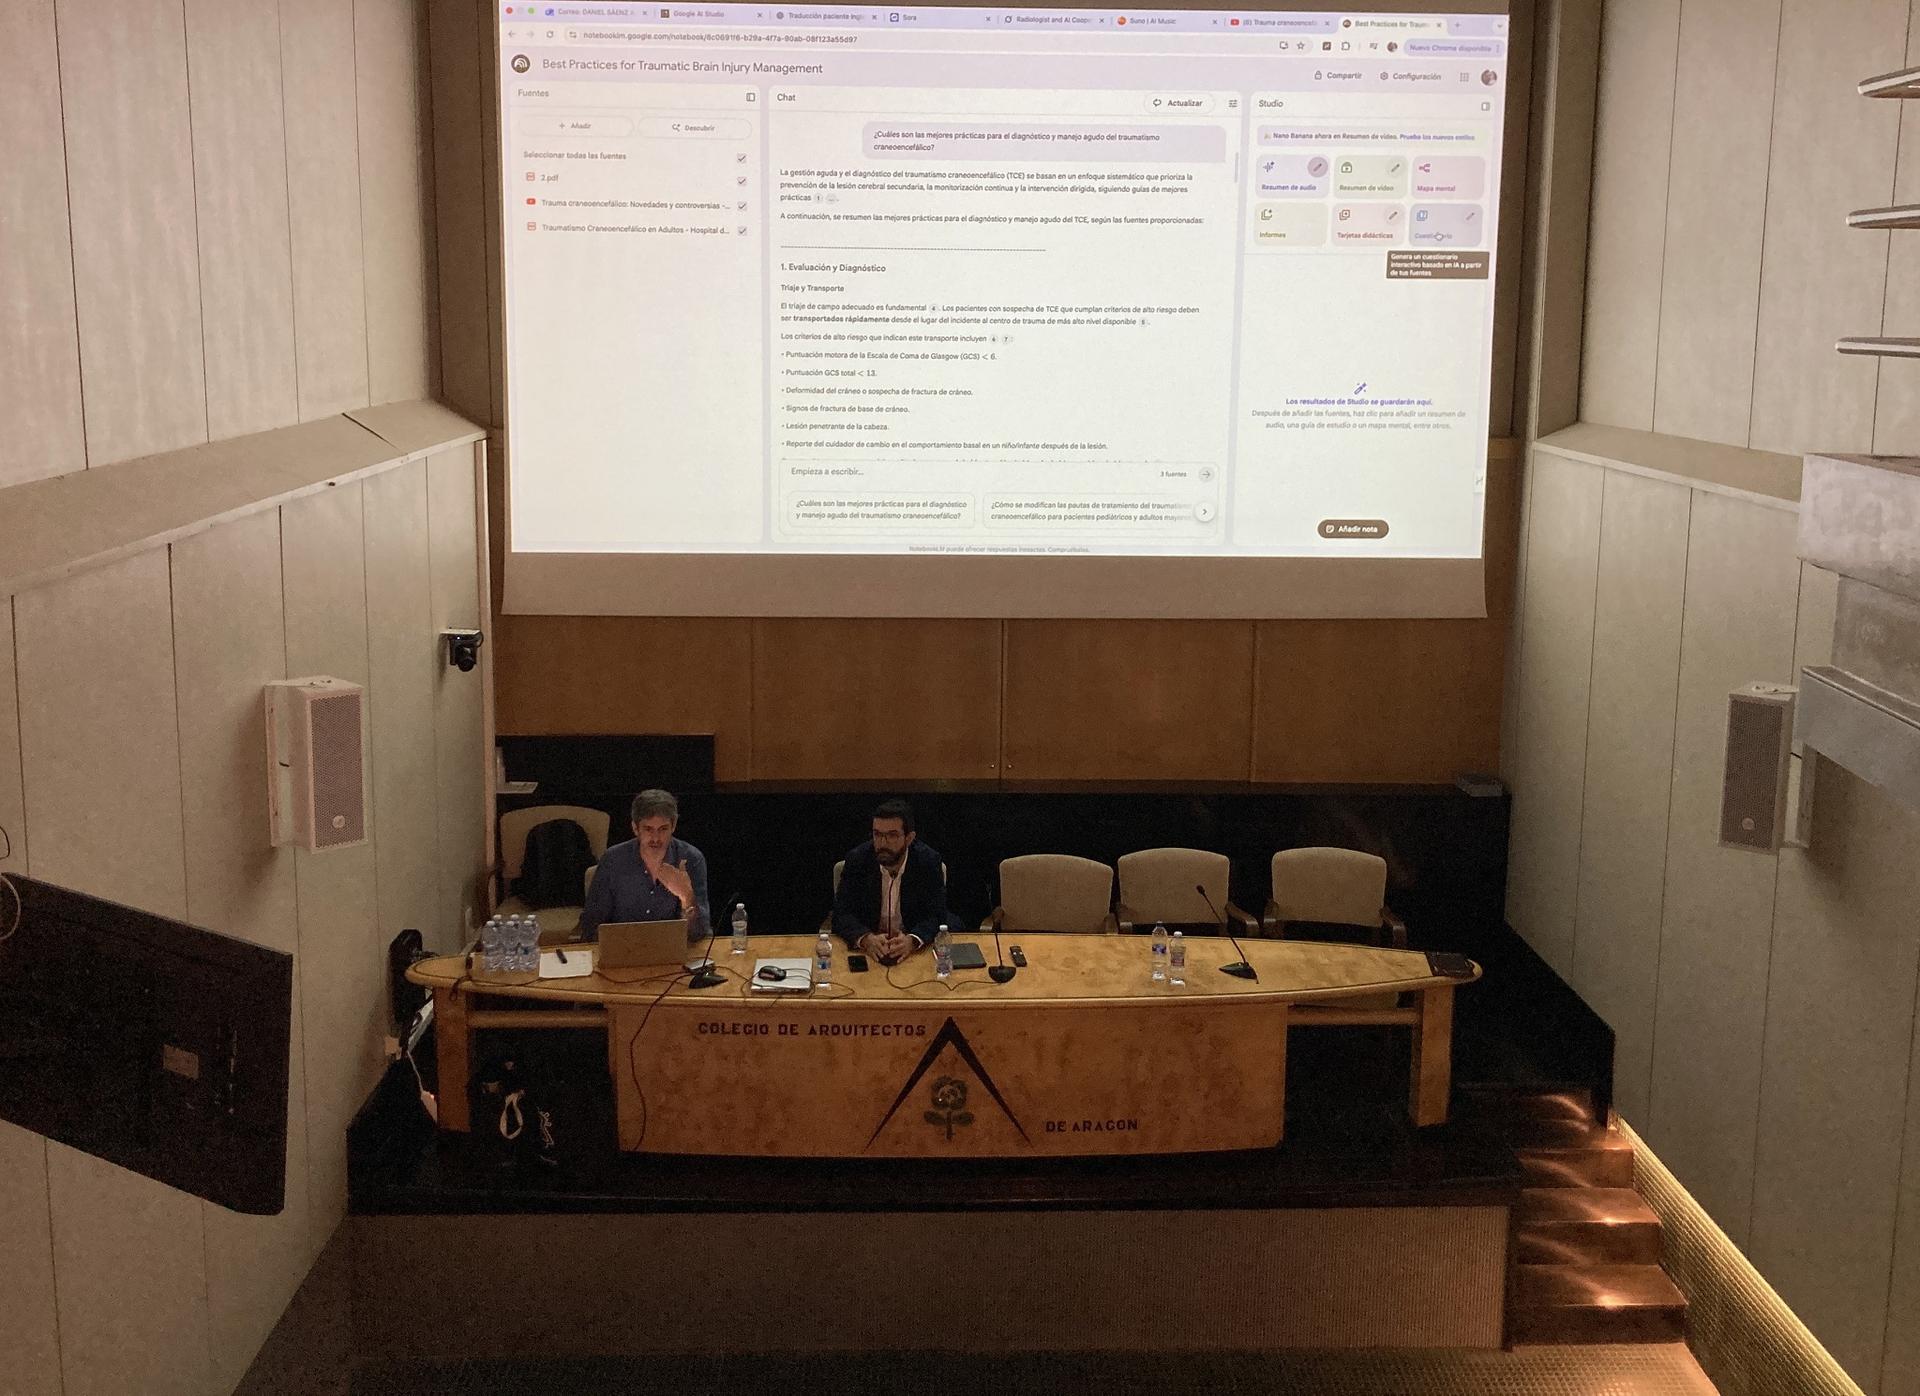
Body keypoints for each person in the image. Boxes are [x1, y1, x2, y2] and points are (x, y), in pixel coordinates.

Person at [577, 790, 710, 944]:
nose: (656, 838)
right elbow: (591, 925)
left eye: (663, 829)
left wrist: (687, 897)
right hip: (623, 948)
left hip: (672, 948)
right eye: (648, 829)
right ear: (635, 828)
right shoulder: (613, 860)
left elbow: (699, 932)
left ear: (673, 826)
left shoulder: (691, 859)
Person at [832, 799, 951, 965]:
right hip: (869, 951)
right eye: (877, 834)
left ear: (909, 838)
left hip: (911, 952)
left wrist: (913, 939)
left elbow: (937, 915)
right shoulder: (858, 860)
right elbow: (841, 913)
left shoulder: (928, 861)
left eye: (892, 835)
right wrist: (865, 938)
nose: (882, 843)